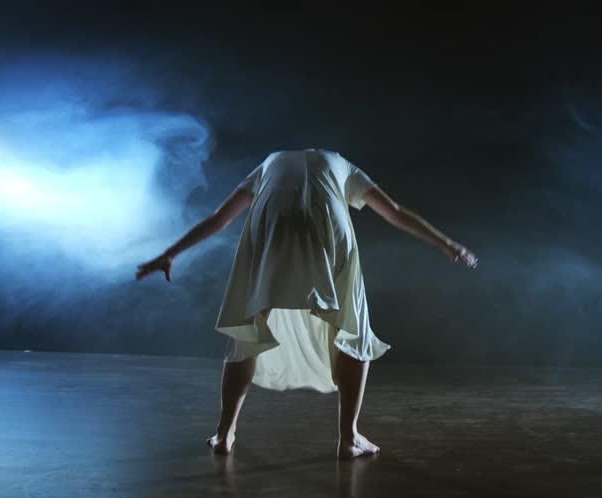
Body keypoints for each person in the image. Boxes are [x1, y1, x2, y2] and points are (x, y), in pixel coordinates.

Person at [136, 149, 477, 459]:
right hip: (328, 229)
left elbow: (220, 218)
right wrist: (447, 244)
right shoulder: (341, 163)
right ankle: (348, 437)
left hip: (273, 230)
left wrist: (170, 253)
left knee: (250, 329)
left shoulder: (270, 162)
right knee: (352, 329)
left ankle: (225, 433)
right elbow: (394, 212)